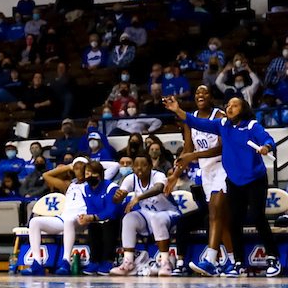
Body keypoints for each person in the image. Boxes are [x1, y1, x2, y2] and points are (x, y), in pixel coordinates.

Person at [164, 94, 279, 277]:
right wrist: (178, 110)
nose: (229, 108)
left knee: (258, 217)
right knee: (234, 221)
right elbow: (196, 122)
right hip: (234, 180)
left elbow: (268, 139)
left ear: (243, 110)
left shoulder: (252, 126)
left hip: (254, 179)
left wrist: (267, 147)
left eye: (234, 105)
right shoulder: (222, 125)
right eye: (228, 105)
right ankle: (239, 263)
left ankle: (273, 257)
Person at [166, 86, 234, 276]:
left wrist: (194, 155)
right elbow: (188, 149)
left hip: (222, 168)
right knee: (220, 219)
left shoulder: (219, 116)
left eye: (205, 92)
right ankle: (234, 261)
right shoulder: (190, 119)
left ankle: (210, 260)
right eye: (197, 93)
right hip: (206, 172)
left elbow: (222, 147)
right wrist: (175, 175)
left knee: (214, 211)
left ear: (212, 97)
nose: (200, 95)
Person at [109, 153, 181, 277]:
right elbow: (118, 198)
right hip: (148, 214)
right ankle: (128, 262)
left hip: (169, 213)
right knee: (128, 218)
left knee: (157, 219)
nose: (139, 168)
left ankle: (165, 263)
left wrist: (138, 198)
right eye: (136, 165)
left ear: (150, 166)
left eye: (143, 165)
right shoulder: (131, 178)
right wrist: (117, 197)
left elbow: (159, 188)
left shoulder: (158, 175)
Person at [21, 158, 91, 276]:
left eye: (82, 168)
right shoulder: (69, 185)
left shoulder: (92, 184)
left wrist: (89, 165)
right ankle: (37, 263)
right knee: (34, 222)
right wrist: (68, 166)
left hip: (81, 220)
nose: (79, 171)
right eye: (76, 168)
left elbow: (113, 167)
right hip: (64, 219)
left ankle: (66, 262)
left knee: (69, 220)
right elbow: (46, 175)